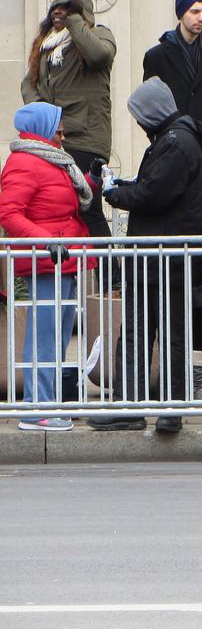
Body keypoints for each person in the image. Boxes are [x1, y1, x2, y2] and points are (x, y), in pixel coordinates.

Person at [89, 79, 202, 433]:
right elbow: (151, 186)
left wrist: (114, 193)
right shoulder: (174, 139)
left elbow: (151, 194)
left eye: (140, 117)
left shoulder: (174, 143)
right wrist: (122, 185)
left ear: (153, 114)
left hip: (163, 261)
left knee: (150, 335)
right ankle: (150, 408)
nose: (139, 124)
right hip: (161, 261)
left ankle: (148, 409)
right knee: (150, 335)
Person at [0, 103, 99, 431]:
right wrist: (47, 241)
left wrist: (91, 181)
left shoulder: (50, 157)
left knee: (55, 337)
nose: (63, 131)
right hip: (48, 262)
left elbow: (60, 203)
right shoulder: (26, 162)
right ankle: (35, 409)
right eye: (57, 125)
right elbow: (10, 214)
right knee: (44, 338)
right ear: (42, 126)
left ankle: (48, 403)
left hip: (62, 260)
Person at [21, 0, 115, 239]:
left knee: (89, 209)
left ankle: (115, 277)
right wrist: (46, 115)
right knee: (61, 206)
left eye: (67, 7)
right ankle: (81, 270)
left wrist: (75, 21)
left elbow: (98, 56)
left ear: (81, 11)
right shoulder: (46, 46)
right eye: (55, 7)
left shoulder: (99, 35)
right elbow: (29, 84)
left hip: (87, 140)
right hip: (55, 139)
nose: (58, 12)